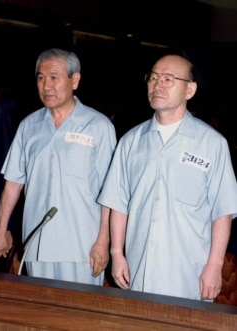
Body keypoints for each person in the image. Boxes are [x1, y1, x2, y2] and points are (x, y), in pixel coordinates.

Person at [97, 53, 237, 301]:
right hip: (139, 271)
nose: (158, 84)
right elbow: (118, 202)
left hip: (189, 274)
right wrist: (117, 252)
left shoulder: (212, 144)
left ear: (190, 90)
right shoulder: (131, 141)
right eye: (153, 78)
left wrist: (215, 267)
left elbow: (222, 211)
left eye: (169, 79)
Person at [0, 48, 117, 285]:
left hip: (82, 247)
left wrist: (104, 241)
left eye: (54, 77)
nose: (46, 85)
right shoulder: (29, 126)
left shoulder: (98, 126)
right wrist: (0, 229)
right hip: (37, 245)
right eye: (40, 77)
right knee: (42, 318)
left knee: (81, 318)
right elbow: (13, 184)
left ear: (75, 80)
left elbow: (111, 193)